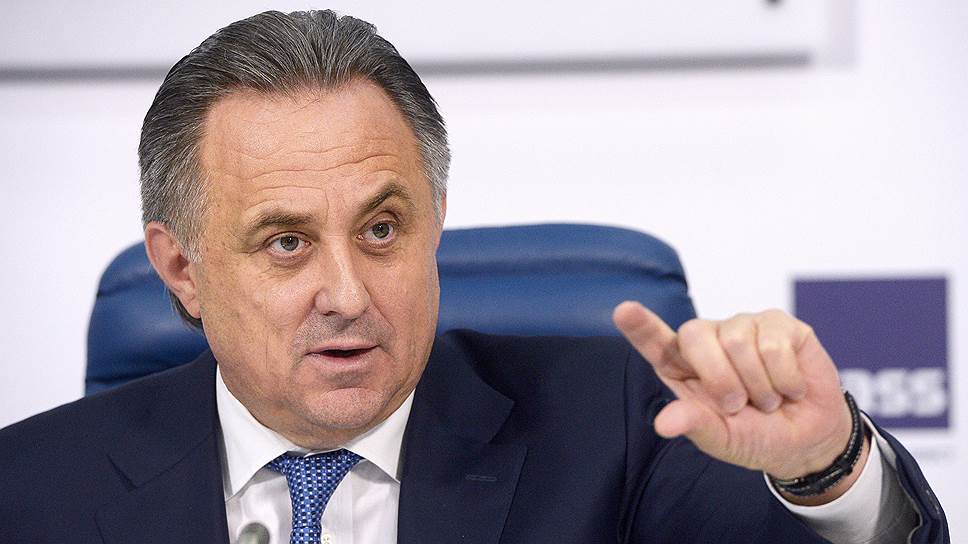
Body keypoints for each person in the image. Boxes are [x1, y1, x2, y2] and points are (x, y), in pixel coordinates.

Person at [0, 10, 948, 544]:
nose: (348, 294)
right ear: (181, 267)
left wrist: (826, 471)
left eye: (382, 229)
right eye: (286, 242)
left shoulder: (621, 429)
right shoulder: (31, 492)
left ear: (436, 220)